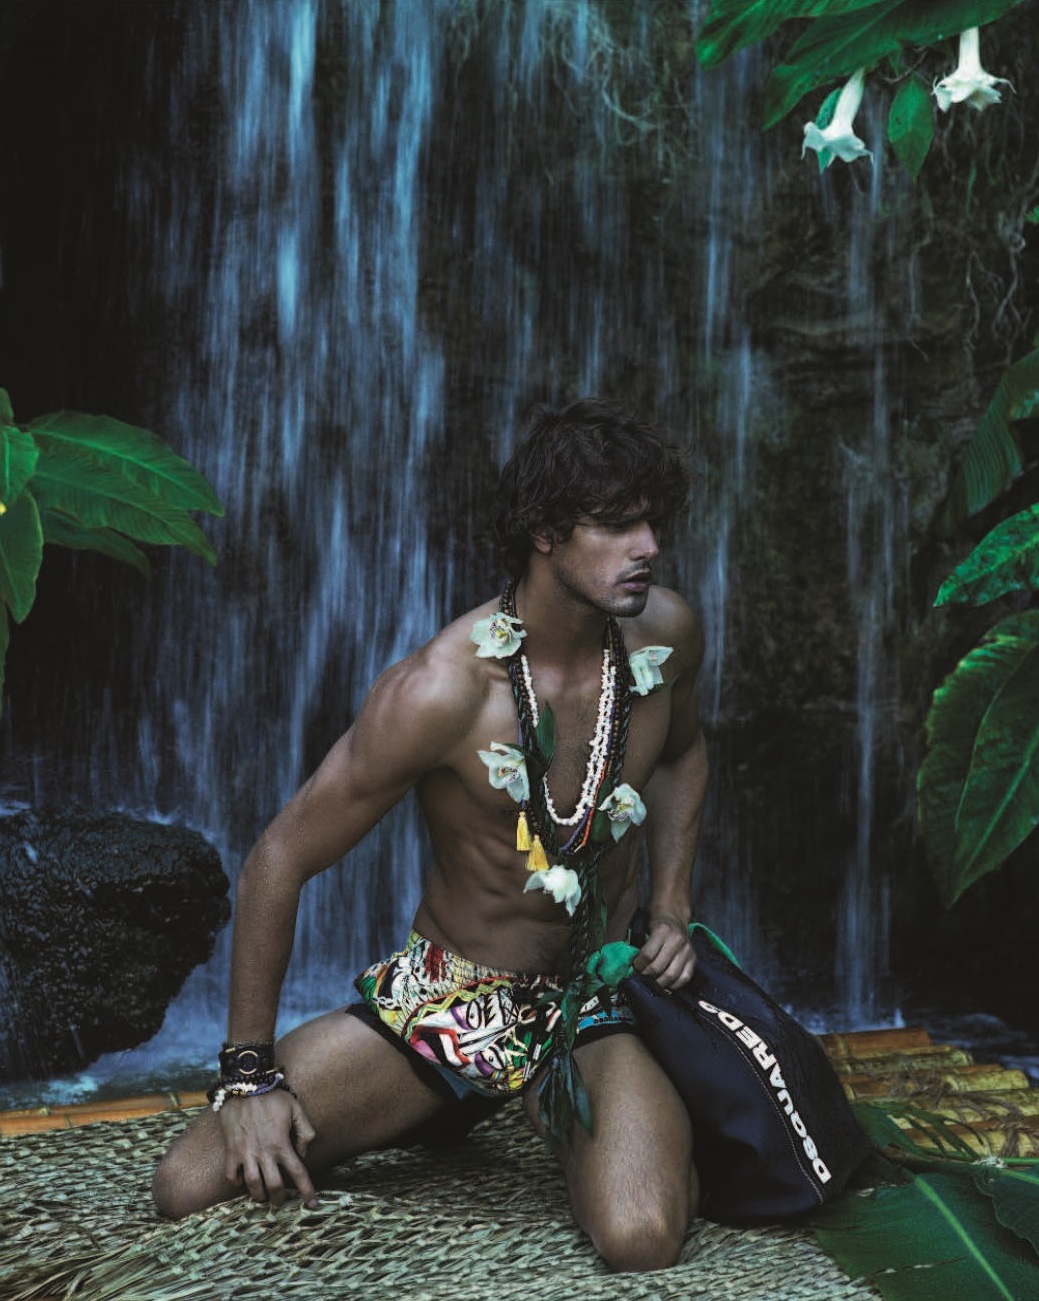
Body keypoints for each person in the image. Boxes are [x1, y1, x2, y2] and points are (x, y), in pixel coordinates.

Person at [152, 398, 709, 1274]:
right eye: (614, 525)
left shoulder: (665, 636)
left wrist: (670, 904)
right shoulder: (440, 691)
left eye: (651, 522)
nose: (646, 546)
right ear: (543, 532)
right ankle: (445, 1096)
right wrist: (249, 1075)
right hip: (450, 998)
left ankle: (612, 1116)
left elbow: (681, 752)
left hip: (589, 992)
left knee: (640, 1235)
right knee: (187, 1183)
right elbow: (278, 859)